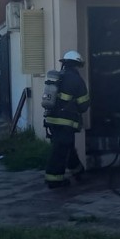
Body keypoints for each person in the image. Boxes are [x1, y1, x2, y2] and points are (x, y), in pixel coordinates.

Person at [43, 50, 91, 188]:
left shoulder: (59, 77)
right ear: (77, 65)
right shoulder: (76, 79)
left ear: (64, 64)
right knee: (60, 151)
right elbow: (83, 105)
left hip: (51, 120)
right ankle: (54, 180)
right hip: (66, 122)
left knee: (66, 147)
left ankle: (78, 170)